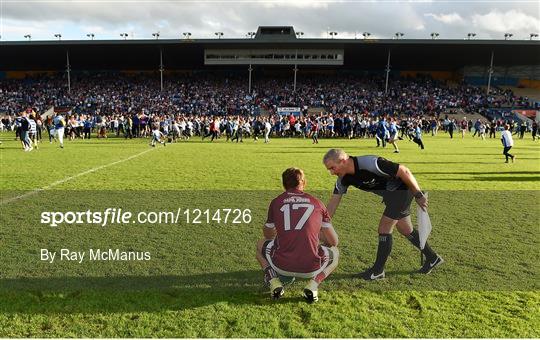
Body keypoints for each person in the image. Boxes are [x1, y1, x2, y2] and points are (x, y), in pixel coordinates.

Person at [322, 149, 443, 281]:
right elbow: (334, 202)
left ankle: (378, 271)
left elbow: (404, 171)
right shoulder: (342, 179)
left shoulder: (371, 163)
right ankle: (433, 258)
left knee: (384, 228)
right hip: (391, 196)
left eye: (333, 168)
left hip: (402, 191)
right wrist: (323, 224)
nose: (332, 172)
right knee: (405, 229)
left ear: (343, 161)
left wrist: (418, 194)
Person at [256, 167, 339, 303]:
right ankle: (313, 285)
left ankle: (274, 281)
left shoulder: (276, 202)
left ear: (284, 184)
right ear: (303, 182)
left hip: (281, 264)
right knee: (335, 252)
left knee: (260, 245)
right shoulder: (317, 203)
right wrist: (315, 235)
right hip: (312, 267)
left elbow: (269, 235)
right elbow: (334, 241)